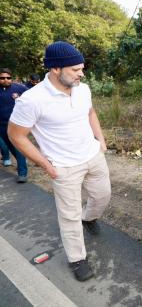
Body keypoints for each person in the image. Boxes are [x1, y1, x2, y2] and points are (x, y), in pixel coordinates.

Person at [8, 41, 111, 282]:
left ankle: (90, 218)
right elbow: (16, 135)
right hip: (63, 167)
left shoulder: (83, 89)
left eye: (82, 68)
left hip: (93, 156)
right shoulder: (31, 100)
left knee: (102, 196)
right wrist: (45, 164)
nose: (81, 74)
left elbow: (90, 113)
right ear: (55, 69)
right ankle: (77, 259)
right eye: (75, 69)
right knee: (69, 215)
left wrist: (101, 141)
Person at [0, 68, 28, 182]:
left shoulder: (19, 88)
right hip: (1, 125)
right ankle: (22, 161)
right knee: (10, 147)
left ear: (11, 78)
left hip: (16, 124)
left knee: (17, 147)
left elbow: (32, 97)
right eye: (2, 78)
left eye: (8, 77)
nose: (5, 80)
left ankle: (22, 173)